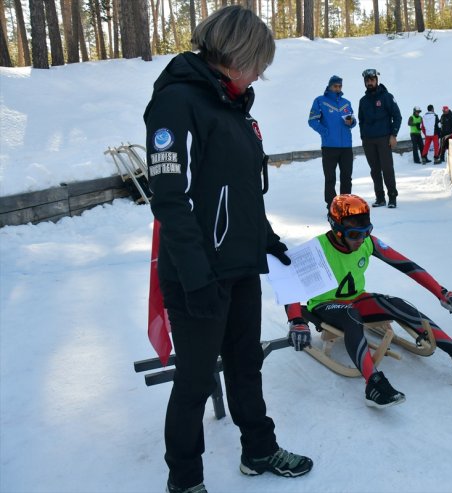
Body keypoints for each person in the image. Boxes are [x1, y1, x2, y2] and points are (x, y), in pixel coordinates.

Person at [143, 6, 313, 493]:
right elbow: (171, 200)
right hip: (198, 274)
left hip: (239, 263)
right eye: (258, 60)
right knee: (195, 382)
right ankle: (185, 480)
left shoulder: (235, 106)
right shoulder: (176, 104)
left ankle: (259, 450)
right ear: (235, 54)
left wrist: (266, 238)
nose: (262, 72)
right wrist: (196, 277)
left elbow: (242, 189)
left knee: (246, 365)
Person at [284, 194, 452, 408]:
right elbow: (289, 284)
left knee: (400, 304)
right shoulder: (316, 249)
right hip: (324, 305)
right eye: (354, 234)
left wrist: (442, 292)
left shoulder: (367, 243)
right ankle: (373, 384)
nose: (360, 239)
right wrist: (297, 320)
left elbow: (407, 265)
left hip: (356, 299)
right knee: (350, 314)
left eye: (366, 232)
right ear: (336, 229)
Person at [308, 75, 357, 207]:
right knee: (330, 178)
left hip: (346, 146)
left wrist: (351, 122)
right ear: (329, 86)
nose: (337, 88)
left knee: (346, 177)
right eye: (335, 86)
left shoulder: (346, 103)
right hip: (329, 146)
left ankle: (345, 204)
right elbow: (312, 120)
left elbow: (353, 121)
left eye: (340, 86)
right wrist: (325, 132)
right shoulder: (320, 101)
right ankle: (331, 205)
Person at [358, 69, 402, 208]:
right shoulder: (363, 101)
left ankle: (392, 198)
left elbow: (397, 116)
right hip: (368, 141)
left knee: (387, 168)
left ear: (377, 80)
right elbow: (361, 120)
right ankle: (380, 198)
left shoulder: (386, 97)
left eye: (372, 80)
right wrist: (363, 136)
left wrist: (393, 135)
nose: (369, 82)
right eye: (367, 80)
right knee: (374, 170)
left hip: (384, 139)